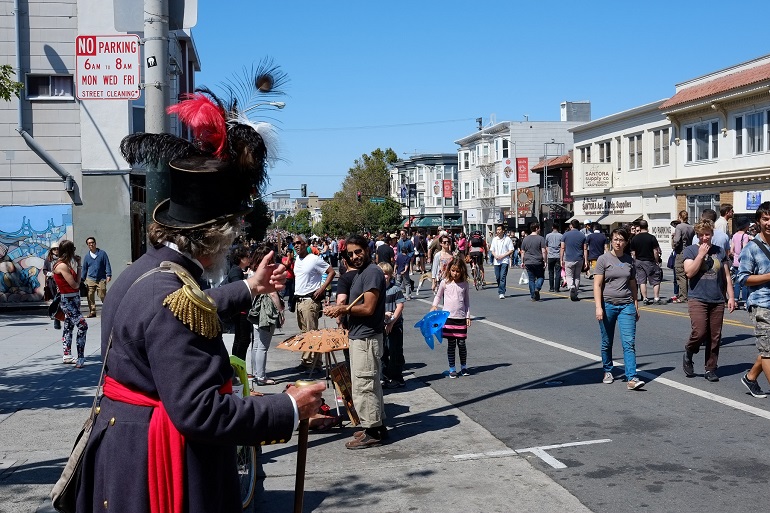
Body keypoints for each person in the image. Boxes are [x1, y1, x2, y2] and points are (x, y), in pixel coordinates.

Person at [78, 72, 325, 512]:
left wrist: (249, 287)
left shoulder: (142, 275)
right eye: (231, 235)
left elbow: (182, 314)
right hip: (157, 466)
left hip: (125, 445)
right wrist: (286, 407)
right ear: (216, 235)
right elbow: (200, 411)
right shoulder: (171, 295)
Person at [324, 234, 388, 449]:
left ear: (367, 250)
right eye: (350, 253)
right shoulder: (361, 273)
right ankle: (375, 427)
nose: (355, 256)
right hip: (360, 336)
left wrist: (342, 309)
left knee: (364, 385)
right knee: (367, 384)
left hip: (367, 337)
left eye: (358, 252)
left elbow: (368, 308)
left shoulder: (372, 273)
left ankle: (373, 432)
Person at [682, 219, 736, 382]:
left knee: (715, 336)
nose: (705, 237)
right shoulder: (691, 250)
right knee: (700, 332)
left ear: (712, 234)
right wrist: (700, 255)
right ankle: (689, 351)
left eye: (708, 234)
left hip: (717, 298)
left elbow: (726, 275)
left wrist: (731, 296)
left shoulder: (719, 251)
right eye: (701, 235)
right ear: (697, 236)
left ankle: (710, 368)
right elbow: (689, 273)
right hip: (698, 297)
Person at [593, 228, 644, 390]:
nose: (618, 242)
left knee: (629, 343)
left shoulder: (630, 260)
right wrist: (598, 307)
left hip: (626, 305)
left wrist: (636, 305)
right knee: (607, 341)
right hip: (607, 304)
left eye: (621, 240)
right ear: (611, 241)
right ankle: (608, 370)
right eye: (615, 239)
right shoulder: (603, 259)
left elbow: (633, 285)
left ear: (626, 242)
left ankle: (631, 378)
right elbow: (597, 284)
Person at [736, 202, 770, 398]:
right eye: (765, 218)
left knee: (768, 345)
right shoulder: (752, 248)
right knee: (768, 352)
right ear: (758, 221)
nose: (769, 222)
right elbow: (742, 278)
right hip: (762, 304)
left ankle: (750, 377)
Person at [293, 234, 335, 369]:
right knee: (305, 334)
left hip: (310, 301)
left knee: (312, 334)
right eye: (294, 244)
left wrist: (322, 288)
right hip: (299, 301)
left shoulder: (314, 259)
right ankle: (307, 361)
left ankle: (315, 363)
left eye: (299, 243)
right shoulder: (297, 260)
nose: (296, 245)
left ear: (306, 244)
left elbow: (331, 272)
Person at [247, 244, 284, 387]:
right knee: (263, 346)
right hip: (266, 311)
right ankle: (261, 377)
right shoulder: (265, 272)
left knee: (256, 345)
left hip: (255, 310)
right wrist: (280, 310)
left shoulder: (252, 271)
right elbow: (273, 293)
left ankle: (257, 373)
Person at [431, 256, 471, 378]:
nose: (455, 273)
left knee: (462, 344)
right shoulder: (445, 282)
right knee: (451, 344)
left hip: (461, 318)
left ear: (462, 271)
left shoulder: (464, 284)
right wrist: (434, 306)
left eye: (458, 271)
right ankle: (452, 368)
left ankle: (463, 367)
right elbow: (438, 296)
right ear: (449, 270)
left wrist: (468, 316)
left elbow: (467, 301)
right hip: (448, 319)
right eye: (453, 270)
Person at [52, 240, 87, 367]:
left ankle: (67, 355)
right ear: (69, 251)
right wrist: (78, 269)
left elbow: (77, 283)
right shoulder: (62, 266)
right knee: (82, 325)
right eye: (74, 249)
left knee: (69, 326)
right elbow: (75, 285)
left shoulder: (66, 264)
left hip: (73, 299)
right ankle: (80, 357)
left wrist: (78, 265)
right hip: (68, 300)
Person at [378, 263, 406, 389]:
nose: (384, 276)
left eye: (386, 274)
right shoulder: (376, 290)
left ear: (390, 275)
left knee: (395, 351)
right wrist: (383, 315)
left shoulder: (395, 289)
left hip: (395, 325)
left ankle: (397, 377)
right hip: (380, 325)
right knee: (382, 352)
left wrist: (392, 321)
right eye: (381, 274)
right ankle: (383, 377)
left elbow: (400, 306)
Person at [227, 245, 254, 361]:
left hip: (240, 310)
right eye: (247, 256)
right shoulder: (235, 272)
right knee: (243, 339)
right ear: (240, 258)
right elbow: (238, 289)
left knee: (239, 339)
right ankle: (239, 366)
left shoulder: (237, 271)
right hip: (241, 311)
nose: (249, 259)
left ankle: (236, 366)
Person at [629, 220, 664, 305]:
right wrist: (656, 261)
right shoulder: (651, 238)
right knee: (655, 280)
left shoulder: (635, 238)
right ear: (647, 227)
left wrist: (636, 260)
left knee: (642, 281)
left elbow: (633, 253)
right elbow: (655, 251)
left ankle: (645, 298)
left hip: (639, 261)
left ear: (639, 228)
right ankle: (656, 298)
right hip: (649, 261)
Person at [81, 236, 112, 318]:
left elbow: (107, 264)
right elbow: (84, 268)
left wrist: (109, 274)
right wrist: (82, 279)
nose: (91, 244)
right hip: (90, 279)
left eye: (92, 243)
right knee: (90, 295)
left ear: (95, 243)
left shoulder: (102, 253)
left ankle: (107, 310)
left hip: (101, 278)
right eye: (89, 243)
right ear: (87, 245)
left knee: (102, 294)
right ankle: (92, 311)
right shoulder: (87, 256)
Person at [561, 219, 588, 301]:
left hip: (569, 258)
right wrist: (586, 261)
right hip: (579, 258)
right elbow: (585, 249)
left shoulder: (565, 235)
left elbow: (562, 247)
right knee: (577, 276)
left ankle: (571, 287)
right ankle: (575, 292)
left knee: (569, 276)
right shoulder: (582, 235)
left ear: (571, 226)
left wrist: (561, 259)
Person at [672, 210, 695, 303]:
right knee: (688, 273)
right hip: (689, 251)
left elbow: (677, 240)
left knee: (680, 274)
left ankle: (683, 296)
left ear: (679, 217)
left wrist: (673, 243)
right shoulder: (691, 227)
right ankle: (688, 294)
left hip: (681, 251)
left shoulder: (679, 226)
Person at [520, 222, 547, 301]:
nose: (540, 230)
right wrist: (545, 261)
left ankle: (533, 295)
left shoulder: (525, 239)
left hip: (528, 261)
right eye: (539, 228)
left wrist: (522, 261)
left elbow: (522, 251)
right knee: (541, 277)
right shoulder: (541, 238)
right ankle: (537, 288)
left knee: (531, 279)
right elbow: (544, 251)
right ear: (536, 229)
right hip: (538, 261)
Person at [490, 225, 514, 299]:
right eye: (497, 230)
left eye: (499, 229)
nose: (498, 231)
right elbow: (492, 250)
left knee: (502, 276)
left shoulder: (507, 239)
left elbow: (511, 250)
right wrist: (495, 256)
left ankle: (501, 292)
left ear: (503, 230)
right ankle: (502, 287)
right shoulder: (494, 239)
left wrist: (503, 256)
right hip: (496, 261)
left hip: (504, 260)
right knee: (498, 277)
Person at [43, 241, 61, 330]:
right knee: (55, 298)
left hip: (60, 281)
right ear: (51, 250)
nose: (56, 251)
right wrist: (50, 273)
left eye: (57, 249)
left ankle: (57, 315)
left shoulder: (62, 258)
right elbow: (44, 270)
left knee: (59, 298)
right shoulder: (48, 259)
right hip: (52, 282)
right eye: (54, 249)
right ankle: (55, 315)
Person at [545, 224, 563, 292]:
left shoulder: (548, 235)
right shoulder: (561, 236)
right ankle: (557, 288)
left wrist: (548, 251)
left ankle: (551, 287)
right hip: (558, 256)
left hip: (550, 256)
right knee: (558, 272)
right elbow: (562, 246)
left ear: (552, 227)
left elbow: (546, 245)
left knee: (551, 272)